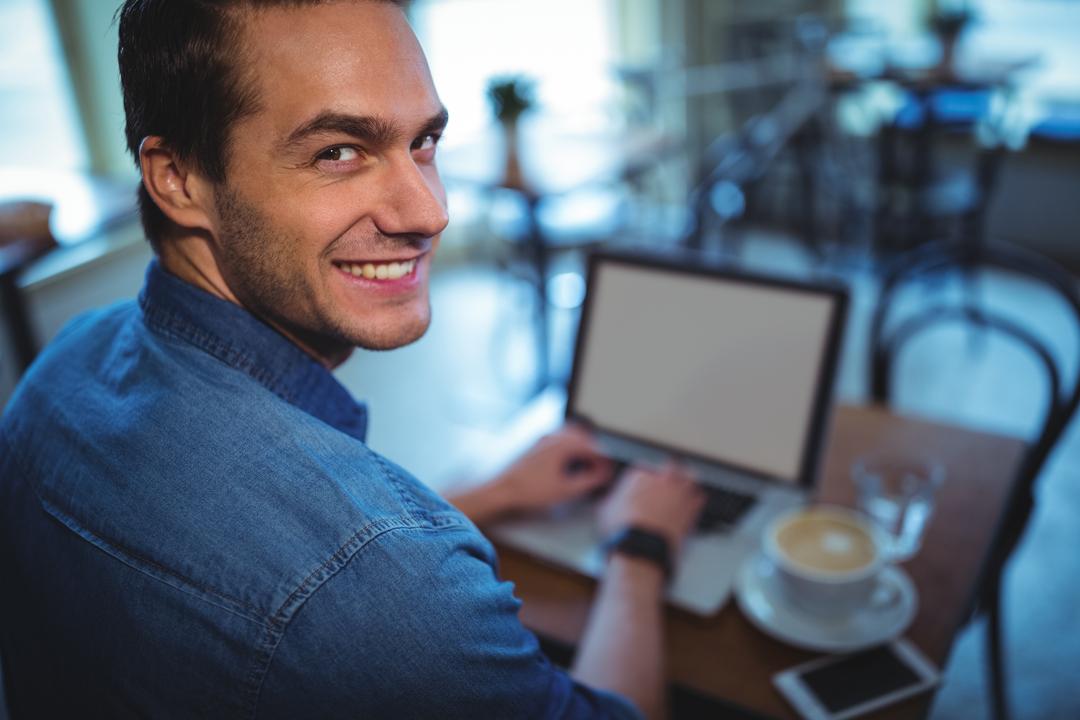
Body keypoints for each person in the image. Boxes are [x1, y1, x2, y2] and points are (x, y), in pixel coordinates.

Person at [0, 1, 705, 718]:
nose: (429, 212)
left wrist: (484, 496)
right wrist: (638, 548)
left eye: (424, 141)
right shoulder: (396, 584)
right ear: (178, 177)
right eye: (338, 151)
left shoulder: (62, 366)